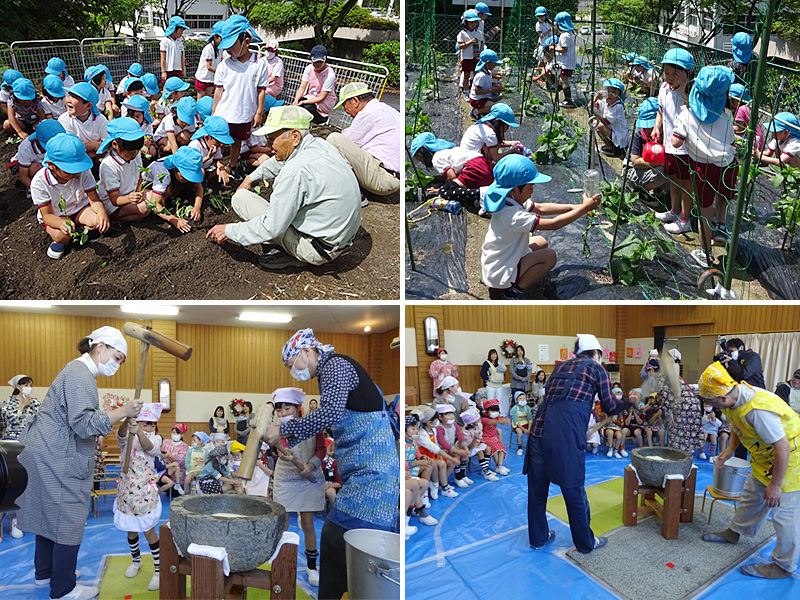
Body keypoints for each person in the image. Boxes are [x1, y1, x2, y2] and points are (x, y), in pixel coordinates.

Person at [261, 328, 399, 600]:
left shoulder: (335, 366)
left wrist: (284, 431)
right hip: (365, 472)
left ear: (306, 352)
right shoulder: (330, 374)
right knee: (350, 545)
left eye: (292, 365)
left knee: (339, 538)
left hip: (374, 475)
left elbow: (332, 412)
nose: (293, 371)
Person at [16, 327, 142, 600]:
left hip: (46, 451)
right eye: (117, 358)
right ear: (100, 347)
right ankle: (63, 589)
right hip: (56, 455)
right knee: (68, 516)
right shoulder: (79, 374)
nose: (116, 365)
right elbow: (84, 424)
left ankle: (45, 574)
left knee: (48, 516)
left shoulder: (77, 373)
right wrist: (123, 411)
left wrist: (118, 415)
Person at [206, 106, 361, 271]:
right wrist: (251, 178)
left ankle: (292, 254)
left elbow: (270, 227)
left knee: (241, 199)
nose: (269, 144)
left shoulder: (294, 172)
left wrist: (228, 230)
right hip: (343, 236)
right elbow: (277, 161)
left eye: (272, 139)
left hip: (319, 248)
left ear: (295, 136)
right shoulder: (319, 145)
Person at [698, 362, 800, 580]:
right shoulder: (734, 398)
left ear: (722, 397)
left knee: (784, 513)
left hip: (791, 459)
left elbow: (782, 446)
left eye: (709, 401)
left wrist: (775, 485)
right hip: (766, 458)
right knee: (752, 497)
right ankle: (734, 532)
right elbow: (737, 426)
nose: (707, 405)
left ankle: (784, 565)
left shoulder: (758, 411)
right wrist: (730, 450)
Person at [525, 334, 624, 553]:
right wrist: (626, 402)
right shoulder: (597, 369)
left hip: (537, 434)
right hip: (564, 439)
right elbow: (610, 407)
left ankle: (538, 538)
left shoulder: (560, 368)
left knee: (537, 493)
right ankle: (586, 543)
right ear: (597, 353)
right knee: (574, 492)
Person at [481, 154, 601, 299]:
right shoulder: (513, 216)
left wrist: (577, 207)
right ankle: (512, 292)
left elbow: (541, 207)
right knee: (549, 256)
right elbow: (554, 224)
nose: (532, 191)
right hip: (500, 273)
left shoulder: (509, 199)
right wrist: (583, 210)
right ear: (513, 189)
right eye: (530, 187)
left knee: (541, 242)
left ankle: (516, 276)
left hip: (499, 260)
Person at [672, 65, 737, 267]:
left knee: (704, 211)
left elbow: (675, 143)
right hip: (727, 165)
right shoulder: (726, 117)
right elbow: (732, 143)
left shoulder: (686, 116)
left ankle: (706, 254)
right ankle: (722, 226)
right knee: (723, 197)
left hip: (702, 169)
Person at [270, 387, 326, 587]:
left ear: (298, 408)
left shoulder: (313, 425)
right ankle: (281, 562)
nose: (283, 413)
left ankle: (312, 566)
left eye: (287, 408)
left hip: (309, 476)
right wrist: (283, 455)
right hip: (286, 477)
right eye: (279, 409)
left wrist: (310, 465)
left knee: (308, 524)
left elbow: (321, 449)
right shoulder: (276, 430)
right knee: (282, 523)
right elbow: (281, 448)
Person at [31, 132, 109, 260]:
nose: (77, 173)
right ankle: (63, 240)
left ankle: (81, 227)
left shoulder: (82, 172)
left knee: (96, 221)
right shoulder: (39, 183)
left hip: (79, 208)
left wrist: (101, 212)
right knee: (62, 235)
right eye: (70, 170)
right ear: (51, 165)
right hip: (56, 215)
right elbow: (47, 215)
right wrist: (60, 223)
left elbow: (94, 200)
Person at [115, 403, 164, 591]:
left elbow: (150, 448)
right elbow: (120, 435)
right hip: (127, 492)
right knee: (131, 529)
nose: (150, 427)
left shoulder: (157, 438)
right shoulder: (128, 437)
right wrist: (127, 421)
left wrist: (141, 432)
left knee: (148, 530)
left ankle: (158, 570)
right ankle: (136, 561)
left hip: (145, 492)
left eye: (152, 424)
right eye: (146, 423)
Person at [325, 81, 401, 199]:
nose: (345, 111)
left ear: (355, 101)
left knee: (334, 140)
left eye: (344, 105)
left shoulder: (369, 114)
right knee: (344, 134)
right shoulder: (384, 109)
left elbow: (343, 143)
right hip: (394, 176)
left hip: (384, 179)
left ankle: (351, 192)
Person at [213, 15, 268, 177]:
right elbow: (219, 90)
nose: (228, 50)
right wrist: (214, 112)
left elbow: (261, 90)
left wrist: (258, 112)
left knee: (237, 142)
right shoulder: (224, 65)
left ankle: (233, 164)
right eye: (226, 46)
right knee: (219, 142)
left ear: (246, 42)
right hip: (224, 113)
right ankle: (219, 166)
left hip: (244, 114)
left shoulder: (259, 64)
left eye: (231, 45)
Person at [653, 48, 695, 236]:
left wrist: (685, 88)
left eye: (675, 74)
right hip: (669, 144)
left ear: (687, 74)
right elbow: (661, 110)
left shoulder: (690, 92)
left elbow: (691, 109)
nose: (669, 78)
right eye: (667, 73)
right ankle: (674, 210)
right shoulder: (663, 88)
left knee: (686, 183)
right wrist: (657, 126)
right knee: (673, 179)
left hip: (686, 148)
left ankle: (685, 219)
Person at [1, 374, 40, 538]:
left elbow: (41, 422)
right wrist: (21, 407)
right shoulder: (8, 403)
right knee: (8, 485)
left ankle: (19, 520)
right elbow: (6, 422)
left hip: (29, 447)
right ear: (18, 386)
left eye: (30, 383)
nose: (28, 386)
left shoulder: (36, 403)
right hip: (10, 448)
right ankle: (5, 519)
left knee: (25, 484)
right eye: (25, 384)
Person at [97, 117, 151, 224]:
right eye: (130, 152)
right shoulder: (108, 165)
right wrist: (129, 199)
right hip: (114, 205)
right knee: (145, 209)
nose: (135, 154)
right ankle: (115, 220)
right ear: (115, 145)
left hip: (131, 195)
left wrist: (138, 193)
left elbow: (139, 176)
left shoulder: (135, 155)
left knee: (156, 197)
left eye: (137, 151)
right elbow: (114, 199)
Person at [141, 146, 206, 232]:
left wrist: (197, 207)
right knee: (161, 196)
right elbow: (155, 204)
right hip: (147, 191)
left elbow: (198, 187)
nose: (188, 180)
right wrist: (174, 220)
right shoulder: (162, 173)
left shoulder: (183, 163)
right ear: (176, 168)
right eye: (185, 177)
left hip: (171, 184)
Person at [655, 355, 705, 454]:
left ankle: (677, 460)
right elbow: (660, 397)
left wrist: (669, 413)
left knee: (677, 435)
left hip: (683, 407)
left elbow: (666, 397)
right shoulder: (672, 375)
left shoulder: (662, 378)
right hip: (693, 406)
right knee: (687, 437)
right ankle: (686, 459)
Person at [624, 98, 667, 195]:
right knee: (664, 170)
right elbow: (635, 161)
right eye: (645, 126)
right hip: (633, 170)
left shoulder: (666, 133)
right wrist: (659, 161)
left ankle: (660, 193)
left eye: (651, 126)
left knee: (670, 170)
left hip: (651, 169)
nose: (648, 131)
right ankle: (642, 191)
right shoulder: (638, 133)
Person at [410, 404, 455, 497]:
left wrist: (441, 455)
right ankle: (444, 487)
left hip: (433, 455)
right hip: (425, 457)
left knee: (450, 463)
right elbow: (433, 448)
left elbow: (436, 444)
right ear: (429, 422)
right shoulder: (421, 434)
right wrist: (447, 456)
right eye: (436, 419)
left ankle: (441, 482)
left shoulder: (432, 430)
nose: (438, 421)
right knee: (442, 464)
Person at [57, 82, 109, 160]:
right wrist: (94, 145)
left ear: (88, 105)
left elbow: (107, 147)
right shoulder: (64, 119)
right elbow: (72, 149)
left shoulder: (100, 119)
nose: (68, 100)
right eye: (68, 96)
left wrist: (85, 148)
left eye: (74, 97)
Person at [15, 119, 65, 191]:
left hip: (47, 162)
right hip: (27, 165)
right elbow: (23, 177)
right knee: (35, 168)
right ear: (37, 141)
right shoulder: (26, 148)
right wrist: (38, 191)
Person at [293, 45, 337, 125]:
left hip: (323, 101)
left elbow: (322, 97)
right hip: (312, 96)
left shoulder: (330, 75)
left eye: (320, 62)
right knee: (299, 103)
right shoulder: (309, 68)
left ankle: (321, 119)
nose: (317, 64)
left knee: (306, 107)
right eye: (315, 62)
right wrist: (296, 101)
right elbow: (302, 87)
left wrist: (303, 103)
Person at [188, 115, 234, 184]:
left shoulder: (215, 146)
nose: (221, 145)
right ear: (207, 138)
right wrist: (208, 157)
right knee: (201, 171)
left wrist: (222, 170)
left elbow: (218, 160)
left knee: (226, 169)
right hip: (195, 170)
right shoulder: (195, 145)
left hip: (208, 169)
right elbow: (192, 164)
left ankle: (212, 182)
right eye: (218, 142)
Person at [435, 404, 471, 488]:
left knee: (465, 454)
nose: (451, 417)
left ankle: (463, 475)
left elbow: (460, 437)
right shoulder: (439, 428)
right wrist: (458, 451)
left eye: (452, 414)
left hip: (451, 448)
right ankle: (456, 478)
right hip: (442, 450)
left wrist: (465, 448)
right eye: (448, 415)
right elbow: (443, 444)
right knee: (457, 455)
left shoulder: (454, 424)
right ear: (440, 417)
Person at [592, 78, 629, 156]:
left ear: (620, 95)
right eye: (608, 91)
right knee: (596, 123)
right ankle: (610, 146)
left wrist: (595, 114)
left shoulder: (618, 107)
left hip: (620, 139)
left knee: (599, 125)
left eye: (614, 92)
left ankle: (612, 148)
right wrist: (596, 97)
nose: (610, 94)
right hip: (613, 133)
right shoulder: (607, 102)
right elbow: (592, 105)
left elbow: (606, 121)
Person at [551, 12, 577, 108]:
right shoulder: (568, 34)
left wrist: (554, 48)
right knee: (562, 79)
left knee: (564, 80)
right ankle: (564, 96)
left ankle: (568, 100)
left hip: (566, 62)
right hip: (566, 62)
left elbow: (564, 50)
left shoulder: (565, 35)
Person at [728, 84, 764, 151]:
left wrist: (727, 126)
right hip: (758, 141)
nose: (730, 103)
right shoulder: (747, 108)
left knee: (728, 136)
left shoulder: (740, 110)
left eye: (732, 100)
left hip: (752, 143)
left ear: (738, 100)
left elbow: (739, 128)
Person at [456, 10, 483, 100]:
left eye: (475, 22)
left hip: (476, 57)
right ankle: (466, 92)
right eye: (471, 22)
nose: (473, 24)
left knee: (476, 75)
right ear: (466, 23)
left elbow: (481, 43)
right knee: (466, 75)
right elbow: (460, 46)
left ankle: (474, 91)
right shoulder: (462, 34)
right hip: (467, 57)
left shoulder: (478, 33)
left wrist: (481, 53)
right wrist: (470, 42)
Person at [469, 49, 501, 118]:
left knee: (498, 98)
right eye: (494, 63)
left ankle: (483, 111)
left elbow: (490, 75)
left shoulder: (487, 72)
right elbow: (477, 91)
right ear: (488, 63)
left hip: (484, 97)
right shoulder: (481, 76)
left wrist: (497, 76)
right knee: (495, 109)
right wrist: (492, 90)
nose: (495, 65)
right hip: (476, 99)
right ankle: (475, 111)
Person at [195, 22, 224, 97]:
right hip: (202, 78)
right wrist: (220, 72)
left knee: (208, 99)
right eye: (222, 37)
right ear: (215, 36)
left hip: (211, 78)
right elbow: (209, 66)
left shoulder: (220, 49)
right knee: (201, 101)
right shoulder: (209, 48)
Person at [161, 423, 188, 493]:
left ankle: (178, 485)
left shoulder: (184, 446)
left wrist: (168, 455)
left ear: (182, 435)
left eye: (177, 433)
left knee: (176, 465)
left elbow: (181, 460)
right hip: (164, 469)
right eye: (173, 432)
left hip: (177, 475)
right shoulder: (165, 442)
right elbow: (159, 453)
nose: (175, 434)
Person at [160, 16, 188, 82]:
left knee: (177, 87)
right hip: (168, 69)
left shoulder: (179, 42)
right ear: (174, 29)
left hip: (178, 69)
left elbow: (181, 57)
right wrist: (163, 71)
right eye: (180, 31)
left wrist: (182, 70)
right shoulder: (165, 41)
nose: (181, 33)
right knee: (167, 86)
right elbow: (163, 57)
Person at [323, 437, 343, 509]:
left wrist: (328, 485)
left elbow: (340, 483)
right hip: (317, 486)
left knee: (330, 492)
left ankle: (335, 509)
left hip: (331, 486)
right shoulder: (314, 462)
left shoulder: (334, 463)